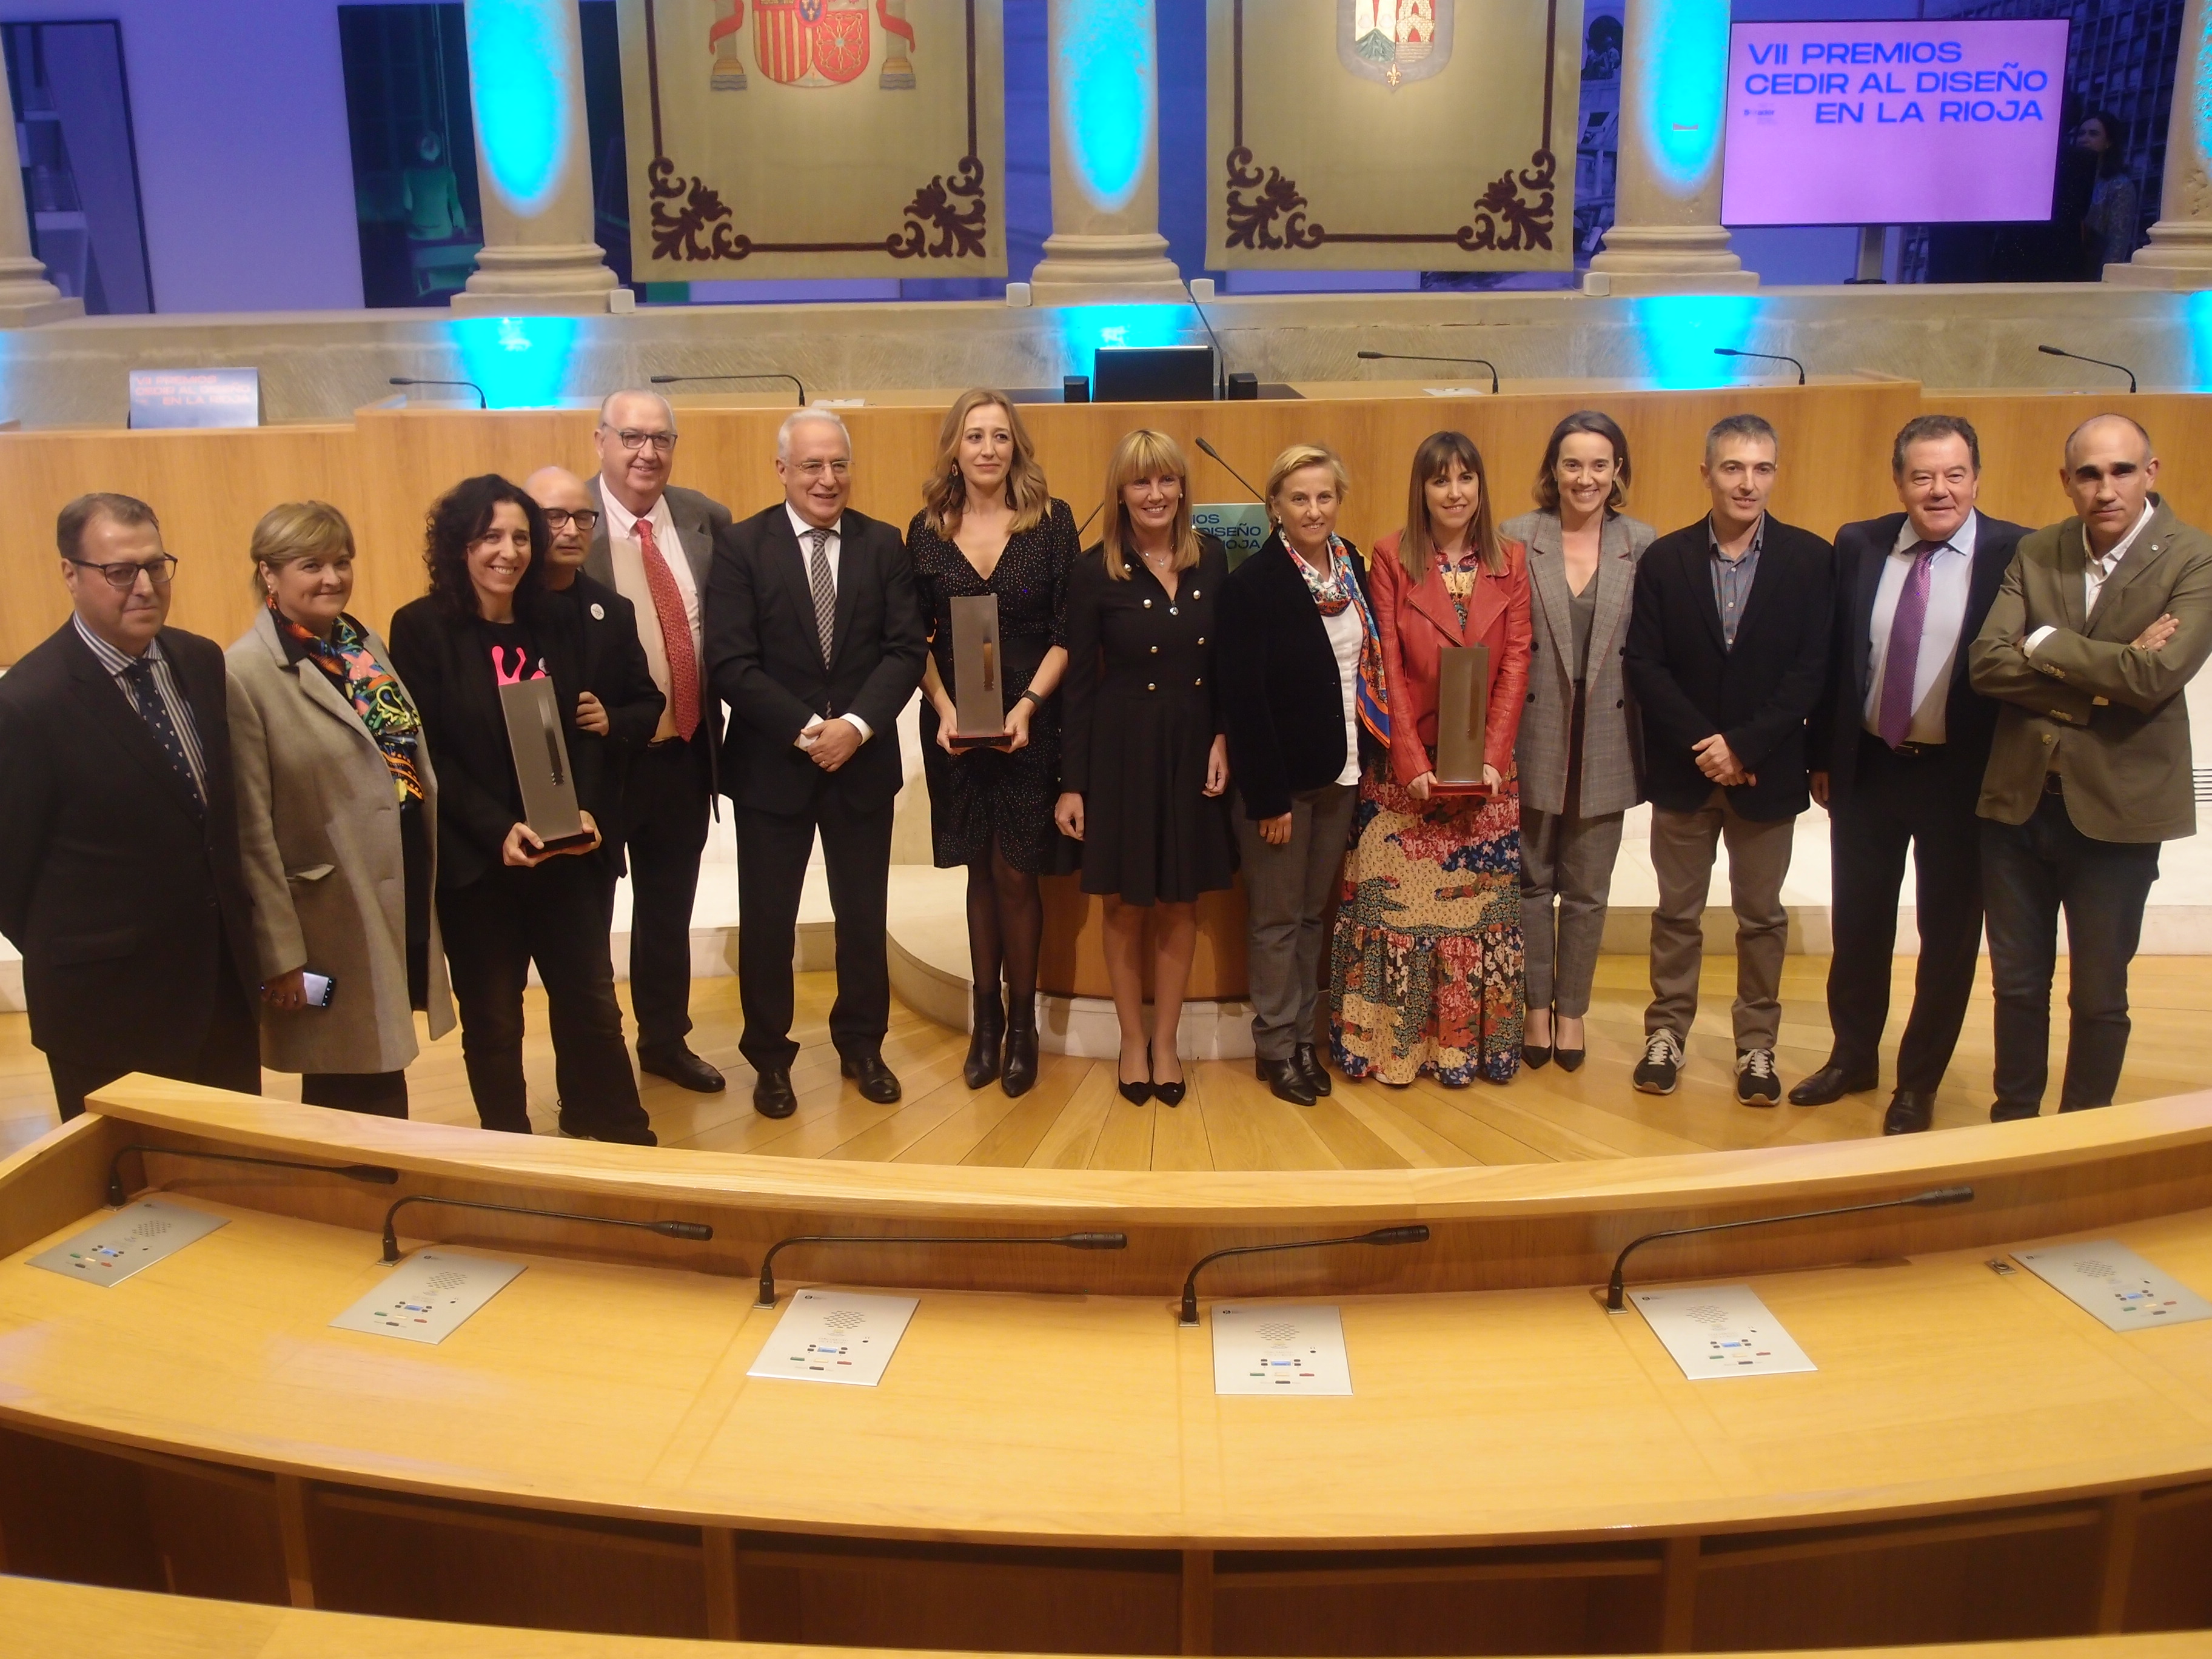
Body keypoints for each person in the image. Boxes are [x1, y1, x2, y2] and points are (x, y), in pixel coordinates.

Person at [387, 474, 664, 1144]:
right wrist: (495, 829)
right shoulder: (421, 628)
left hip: (565, 854)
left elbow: (582, 727)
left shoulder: (556, 620)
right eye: (490, 537)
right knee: (494, 1020)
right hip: (479, 863)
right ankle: (507, 1153)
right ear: (459, 546)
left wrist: (588, 810)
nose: (508, 552)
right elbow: (426, 751)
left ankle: (628, 1142)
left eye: (519, 537)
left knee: (593, 1006)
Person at [1968, 414, 2212, 1119]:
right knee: (2017, 987)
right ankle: (2014, 1128)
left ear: (2151, 473)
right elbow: (1987, 663)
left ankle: (2081, 1137)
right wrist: (2108, 676)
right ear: (2067, 482)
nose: (2106, 489)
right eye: (2089, 474)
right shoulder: (2038, 549)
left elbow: (2155, 677)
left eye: (2122, 471)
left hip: (2118, 810)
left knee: (2100, 995)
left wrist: (2043, 641)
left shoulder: (2195, 557)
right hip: (2018, 802)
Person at [1795, 417, 2031, 1134]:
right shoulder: (1859, 543)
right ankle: (1852, 1057)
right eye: (1922, 476)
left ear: (1977, 479)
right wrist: (1822, 755)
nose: (1939, 490)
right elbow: (1835, 660)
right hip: (1868, 767)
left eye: (1954, 475)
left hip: (1963, 777)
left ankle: (1918, 1082)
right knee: (1858, 925)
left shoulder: (2016, 551)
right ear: (1899, 482)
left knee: (1948, 937)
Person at [0, 494, 260, 1121]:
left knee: (235, 1167)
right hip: (106, 1013)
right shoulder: (27, 703)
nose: (145, 587)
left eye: (156, 566)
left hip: (220, 992)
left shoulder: (200, 660)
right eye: (120, 571)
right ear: (70, 573)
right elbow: (9, 877)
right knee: (134, 1179)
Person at [706, 410, 928, 1120]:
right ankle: (770, 1059)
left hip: (861, 763)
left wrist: (855, 728)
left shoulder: (883, 544)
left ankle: (863, 1046)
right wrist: (810, 732)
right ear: (782, 470)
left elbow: (905, 650)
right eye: (811, 465)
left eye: (838, 464)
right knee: (768, 922)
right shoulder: (742, 547)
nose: (827, 479)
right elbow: (731, 662)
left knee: (862, 917)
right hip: (773, 767)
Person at [1624, 414, 1832, 1105]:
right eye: (1734, 467)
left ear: (1775, 474)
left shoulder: (1810, 559)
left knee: (1762, 918)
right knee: (1676, 915)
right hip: (1686, 773)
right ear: (1707, 473)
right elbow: (1645, 666)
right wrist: (1710, 746)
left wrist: (1744, 745)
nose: (1748, 482)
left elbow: (1811, 671)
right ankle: (1666, 1033)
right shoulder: (1665, 560)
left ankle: (1757, 1045)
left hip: (1766, 772)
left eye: (1762, 468)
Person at [226, 501, 455, 1118]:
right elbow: (250, 830)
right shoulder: (244, 672)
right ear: (269, 573)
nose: (332, 578)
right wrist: (280, 956)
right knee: (345, 1072)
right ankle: (365, 1178)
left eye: (342, 562)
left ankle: (382, 1172)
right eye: (311, 565)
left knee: (378, 1064)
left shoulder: (361, 645)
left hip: (393, 888)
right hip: (324, 919)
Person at [1333, 431, 1531, 1088]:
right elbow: (1385, 660)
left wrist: (1494, 758)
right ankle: (1392, 1050)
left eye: (1465, 478)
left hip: (1487, 774)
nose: (1454, 492)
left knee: (1474, 917)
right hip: (1406, 771)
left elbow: (1516, 661)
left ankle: (1464, 1052)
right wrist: (1410, 758)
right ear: (1421, 489)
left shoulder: (1511, 560)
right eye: (1440, 479)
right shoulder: (1392, 556)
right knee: (1396, 916)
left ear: (1481, 485)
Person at [1056, 430, 1236, 1107]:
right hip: (1122, 749)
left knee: (1181, 901)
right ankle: (1132, 1041)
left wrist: (1223, 737)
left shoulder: (1212, 559)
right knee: (1126, 904)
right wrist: (1073, 784)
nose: (1155, 494)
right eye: (1141, 482)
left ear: (1183, 487)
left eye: (1166, 480)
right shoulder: (1092, 571)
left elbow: (1227, 664)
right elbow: (1078, 685)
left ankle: (1167, 1043)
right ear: (1121, 493)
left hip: (1192, 746)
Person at [909, 389, 1080, 1099]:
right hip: (955, 726)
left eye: (1000, 436)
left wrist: (1029, 705)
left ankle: (1021, 1030)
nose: (988, 448)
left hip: (1030, 722)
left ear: (1017, 448)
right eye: (975, 436)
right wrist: (945, 708)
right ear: (955, 447)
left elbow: (1069, 630)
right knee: (978, 871)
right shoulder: (927, 530)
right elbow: (911, 636)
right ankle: (985, 1026)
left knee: (1017, 873)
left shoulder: (1052, 521)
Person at [1219, 443, 1386, 1107]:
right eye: (1299, 498)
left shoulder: (1354, 570)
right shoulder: (1252, 585)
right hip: (1282, 788)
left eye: (1324, 496)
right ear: (1275, 507)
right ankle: (1274, 1047)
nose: (1313, 510)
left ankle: (1300, 1042)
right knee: (1276, 921)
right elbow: (1245, 703)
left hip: (1342, 773)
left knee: (1313, 918)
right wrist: (1268, 798)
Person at [582, 390, 736, 1096]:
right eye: (631, 437)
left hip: (684, 755)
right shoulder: (566, 522)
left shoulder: (707, 519)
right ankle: (593, 1056)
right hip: (599, 764)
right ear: (601, 441)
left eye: (661, 439)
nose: (647, 453)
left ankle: (664, 1041)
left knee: (667, 913)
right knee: (586, 920)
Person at [1502, 412, 1654, 1074]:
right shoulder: (1517, 537)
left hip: (1608, 738)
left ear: (1617, 470)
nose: (1585, 478)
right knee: (1531, 883)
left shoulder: (1642, 544)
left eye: (1599, 464)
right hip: (1533, 734)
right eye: (1572, 464)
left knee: (1589, 891)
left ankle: (1573, 1012)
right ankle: (1536, 1007)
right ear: (1553, 469)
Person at [525, 466, 667, 923]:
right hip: (513, 825)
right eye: (554, 517)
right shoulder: (502, 607)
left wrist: (612, 720)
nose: (571, 530)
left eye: (583, 518)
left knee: (588, 960)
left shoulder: (612, 610)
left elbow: (649, 703)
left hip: (591, 825)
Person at [2078, 112, 2142, 276]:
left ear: (2109, 142)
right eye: (2081, 133)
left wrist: (2103, 281)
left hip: (2092, 273)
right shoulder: (2070, 181)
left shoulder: (2120, 185)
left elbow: (2118, 243)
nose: (2084, 139)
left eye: (2093, 134)